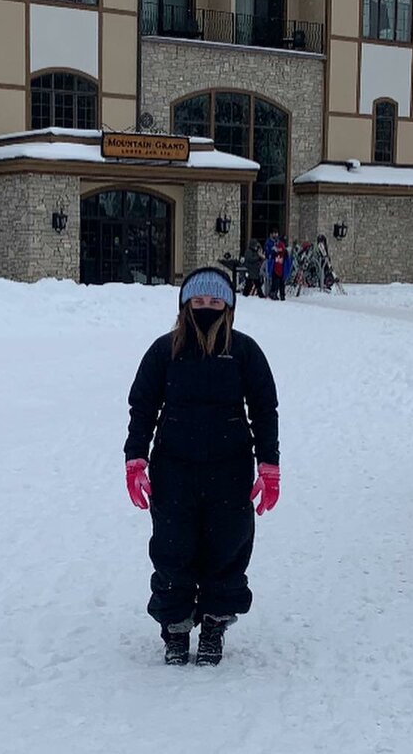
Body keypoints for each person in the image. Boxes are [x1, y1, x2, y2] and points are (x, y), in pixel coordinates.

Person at [124, 267, 280, 665]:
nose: (206, 308)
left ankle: (214, 624)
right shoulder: (165, 350)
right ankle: (175, 628)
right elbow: (142, 405)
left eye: (214, 301)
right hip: (174, 469)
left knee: (227, 548)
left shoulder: (244, 351)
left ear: (228, 307)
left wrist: (269, 464)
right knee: (172, 549)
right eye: (198, 301)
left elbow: (264, 409)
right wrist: (135, 457)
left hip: (230, 469)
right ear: (184, 306)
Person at [268, 236, 291, 301]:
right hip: (280, 269)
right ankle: (280, 295)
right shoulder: (283, 252)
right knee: (280, 283)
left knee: (277, 283)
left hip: (277, 269)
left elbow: (271, 260)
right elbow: (288, 262)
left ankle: (275, 294)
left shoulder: (277, 251)